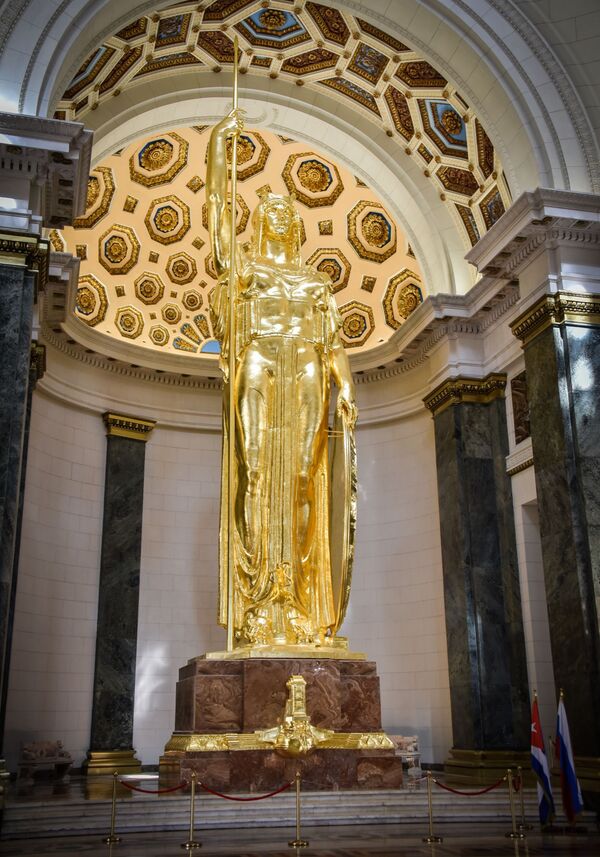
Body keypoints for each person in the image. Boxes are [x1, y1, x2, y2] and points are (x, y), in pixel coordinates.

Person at [207, 109, 357, 650]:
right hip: (259, 359)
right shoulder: (245, 269)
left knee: (300, 477)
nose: (277, 212)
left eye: (285, 210)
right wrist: (219, 148)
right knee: (254, 472)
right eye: (269, 207)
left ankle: (295, 598)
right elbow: (218, 217)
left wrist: (348, 389)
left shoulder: (316, 282)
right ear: (258, 220)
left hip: (308, 366)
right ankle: (257, 599)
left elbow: (334, 344)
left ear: (295, 225)